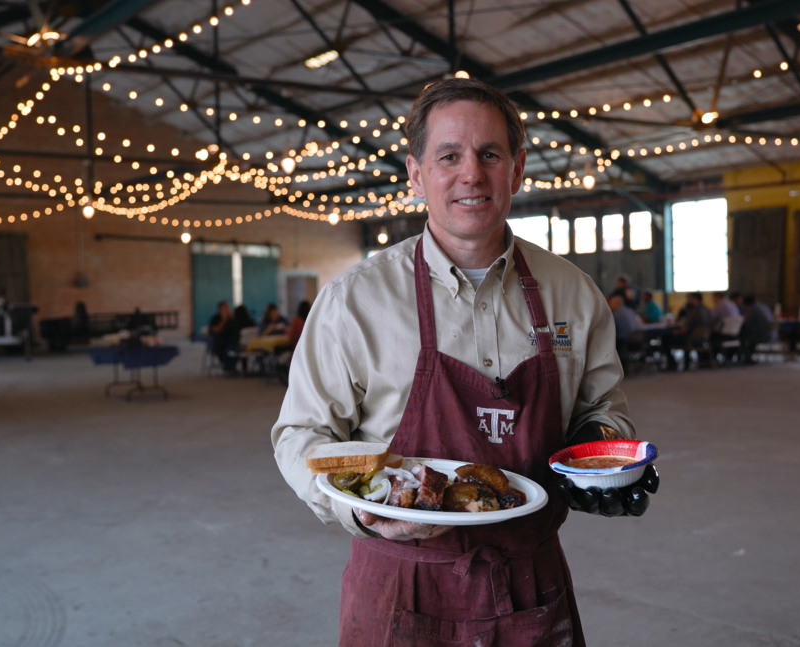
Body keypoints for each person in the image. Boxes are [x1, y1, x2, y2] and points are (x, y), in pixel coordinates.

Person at [272, 78, 656, 647]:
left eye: (490, 154)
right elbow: (301, 434)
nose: (471, 173)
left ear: (517, 170)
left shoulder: (573, 294)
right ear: (416, 174)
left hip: (532, 579)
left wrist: (601, 457)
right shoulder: (354, 300)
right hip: (402, 582)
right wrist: (362, 510)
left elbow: (600, 409)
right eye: (448, 156)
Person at [663, 292, 713, 370]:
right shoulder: (707, 310)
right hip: (704, 336)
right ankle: (686, 362)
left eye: (689, 299)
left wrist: (675, 332)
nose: (688, 301)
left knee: (665, 339)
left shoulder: (693, 311)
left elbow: (685, 330)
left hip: (691, 337)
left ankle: (671, 364)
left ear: (694, 299)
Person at [740, 294, 776, 363]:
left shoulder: (753, 309)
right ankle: (748, 357)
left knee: (743, 338)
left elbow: (749, 323)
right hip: (772, 333)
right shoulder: (763, 306)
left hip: (763, 334)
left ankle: (748, 358)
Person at [208, 301, 237, 372]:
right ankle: (229, 368)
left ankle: (231, 368)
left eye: (228, 308)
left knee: (236, 350)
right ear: (220, 309)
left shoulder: (232, 318)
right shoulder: (215, 319)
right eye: (225, 308)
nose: (227, 309)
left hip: (231, 341)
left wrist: (233, 319)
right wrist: (224, 320)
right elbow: (216, 330)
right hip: (219, 342)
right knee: (223, 352)